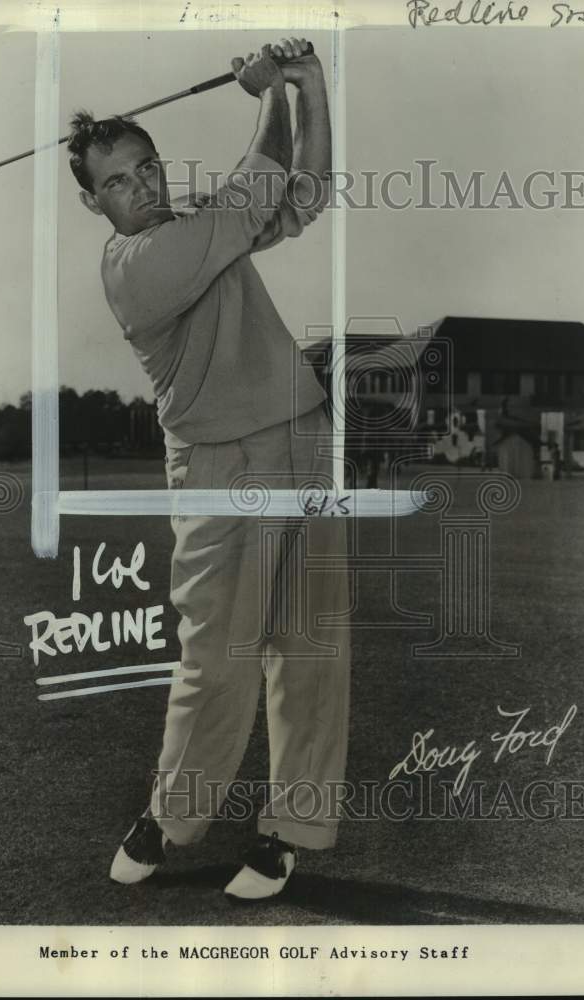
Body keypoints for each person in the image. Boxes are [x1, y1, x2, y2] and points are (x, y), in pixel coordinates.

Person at [68, 38, 351, 901]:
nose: (141, 187)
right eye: (117, 182)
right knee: (215, 657)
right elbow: (253, 189)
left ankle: (286, 834)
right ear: (93, 202)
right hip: (218, 464)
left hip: (302, 434)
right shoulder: (134, 268)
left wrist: (311, 87)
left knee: (311, 648)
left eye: (146, 168)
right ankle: (172, 818)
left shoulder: (193, 224)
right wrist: (266, 95)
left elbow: (304, 195)